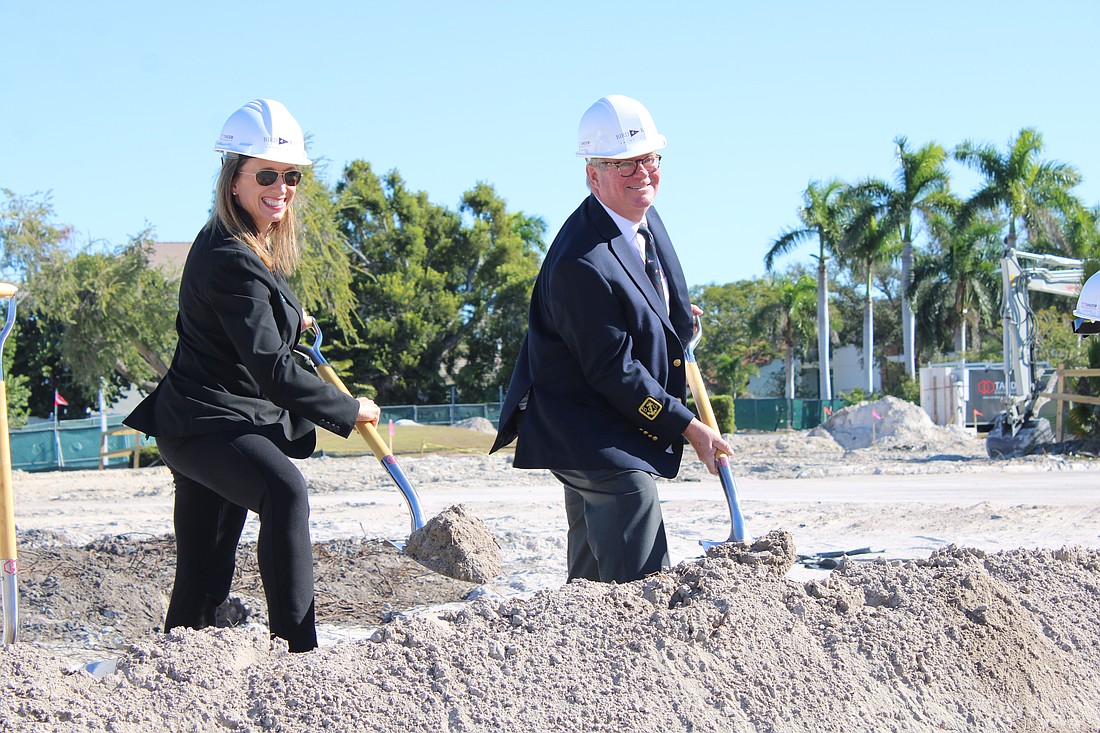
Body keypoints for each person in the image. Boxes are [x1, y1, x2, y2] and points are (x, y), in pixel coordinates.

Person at [125, 99, 380, 652]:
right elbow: (271, 369)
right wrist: (347, 408)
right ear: (233, 178)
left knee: (205, 572)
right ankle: (297, 652)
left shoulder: (244, 246)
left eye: (290, 176)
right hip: (207, 423)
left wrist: (293, 320)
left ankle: (176, 670)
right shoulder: (230, 256)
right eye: (267, 174)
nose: (281, 187)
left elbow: (253, 332)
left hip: (209, 420)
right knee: (284, 493)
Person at [490, 94, 733, 584]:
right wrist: (688, 426)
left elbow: (641, 298)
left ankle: (579, 644)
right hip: (586, 428)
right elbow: (613, 371)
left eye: (648, 158)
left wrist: (668, 316)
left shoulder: (640, 216)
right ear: (593, 174)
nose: (642, 172)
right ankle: (642, 641)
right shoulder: (581, 262)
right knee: (638, 573)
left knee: (591, 582)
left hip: (600, 421)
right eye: (624, 163)